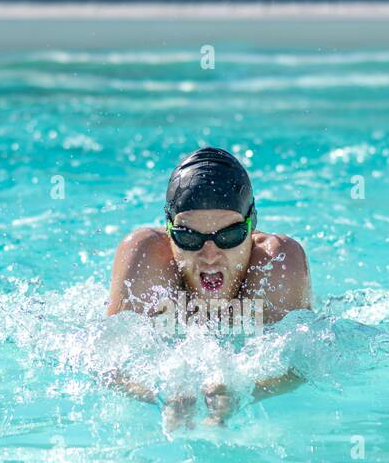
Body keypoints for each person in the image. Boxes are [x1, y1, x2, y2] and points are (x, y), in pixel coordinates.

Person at [106, 146, 312, 428]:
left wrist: (243, 393)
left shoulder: (277, 264)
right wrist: (160, 396)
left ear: (252, 226)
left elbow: (303, 365)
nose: (210, 255)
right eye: (189, 237)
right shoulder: (144, 259)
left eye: (229, 235)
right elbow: (105, 364)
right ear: (168, 231)